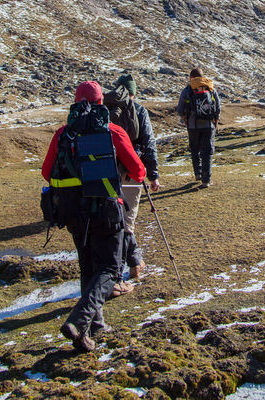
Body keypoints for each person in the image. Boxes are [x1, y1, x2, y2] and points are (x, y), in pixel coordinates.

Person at [40, 81, 146, 352]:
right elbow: (138, 171)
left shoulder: (63, 134)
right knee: (110, 269)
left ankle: (90, 330)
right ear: (102, 103)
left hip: (74, 212)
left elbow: (46, 171)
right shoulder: (112, 131)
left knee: (87, 267)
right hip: (107, 210)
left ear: (76, 102)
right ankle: (79, 320)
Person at [103, 74, 161, 294]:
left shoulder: (105, 110)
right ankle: (132, 266)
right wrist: (153, 174)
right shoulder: (138, 110)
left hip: (106, 173)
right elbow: (148, 142)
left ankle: (128, 264)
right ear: (133, 91)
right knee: (127, 221)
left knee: (112, 220)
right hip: (130, 171)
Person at [177, 68, 220, 189]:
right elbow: (217, 107)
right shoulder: (211, 89)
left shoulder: (187, 90)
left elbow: (180, 109)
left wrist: (186, 118)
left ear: (191, 78)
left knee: (195, 150)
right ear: (202, 77)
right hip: (208, 125)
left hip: (192, 126)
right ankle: (206, 180)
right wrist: (215, 121)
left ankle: (198, 173)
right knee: (207, 152)